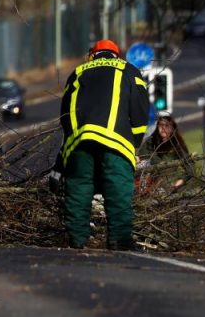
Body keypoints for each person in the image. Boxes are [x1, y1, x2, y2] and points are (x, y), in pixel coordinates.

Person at [57, 39, 149, 250]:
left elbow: (65, 112)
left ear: (93, 54)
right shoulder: (129, 70)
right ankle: (120, 240)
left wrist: (68, 147)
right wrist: (133, 144)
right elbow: (140, 111)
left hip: (80, 141)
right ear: (116, 55)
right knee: (118, 189)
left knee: (79, 188)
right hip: (115, 140)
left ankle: (77, 240)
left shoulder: (78, 72)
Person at [138, 114, 195, 193]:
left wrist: (180, 181)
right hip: (150, 180)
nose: (163, 128)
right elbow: (142, 157)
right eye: (161, 125)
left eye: (167, 126)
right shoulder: (150, 142)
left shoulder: (176, 144)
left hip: (169, 182)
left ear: (172, 128)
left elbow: (190, 168)